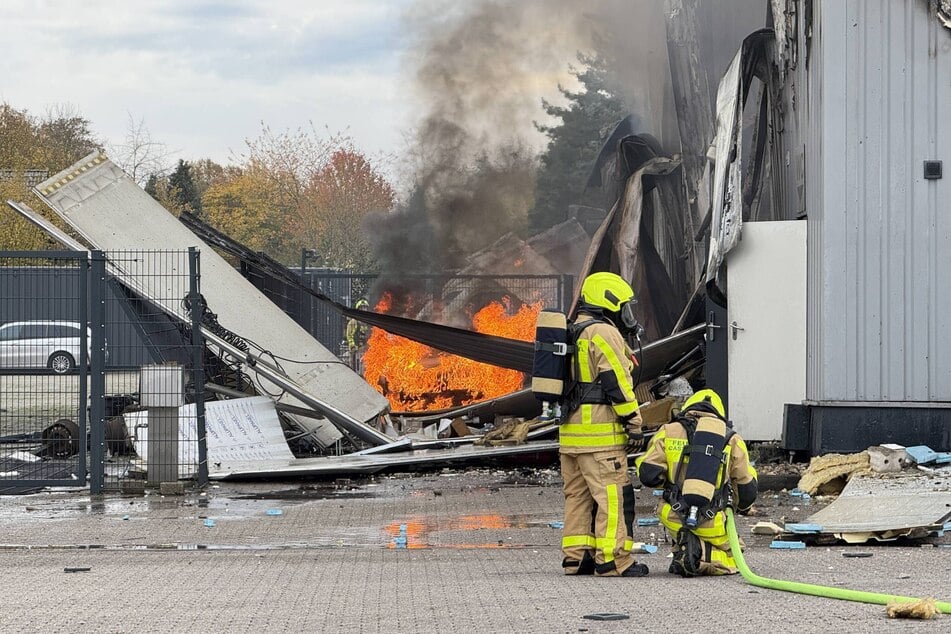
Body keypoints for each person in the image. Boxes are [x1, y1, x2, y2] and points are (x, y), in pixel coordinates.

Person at [560, 272, 648, 577]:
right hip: (599, 439)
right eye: (624, 307)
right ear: (608, 303)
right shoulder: (602, 333)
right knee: (611, 497)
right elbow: (617, 383)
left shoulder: (573, 331)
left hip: (570, 437)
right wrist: (633, 423)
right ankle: (612, 560)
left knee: (578, 498)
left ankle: (576, 558)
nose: (628, 315)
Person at [635, 388, 758, 576]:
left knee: (680, 525)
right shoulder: (732, 439)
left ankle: (684, 550)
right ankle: (698, 554)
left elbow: (648, 475)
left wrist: (672, 481)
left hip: (672, 516)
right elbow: (747, 493)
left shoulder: (668, 431)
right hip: (714, 521)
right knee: (734, 555)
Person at [345, 298, 370, 372]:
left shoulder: (368, 322)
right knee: (355, 370)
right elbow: (349, 335)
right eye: (362, 307)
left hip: (365, 350)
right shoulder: (354, 321)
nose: (364, 309)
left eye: (365, 307)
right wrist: (353, 346)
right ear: (358, 308)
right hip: (356, 350)